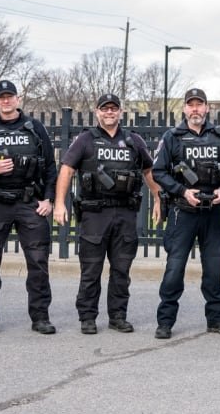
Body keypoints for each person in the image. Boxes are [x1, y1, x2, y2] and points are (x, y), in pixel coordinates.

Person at [53, 93, 160, 334]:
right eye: (105, 109)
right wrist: (59, 203)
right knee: (91, 269)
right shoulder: (85, 140)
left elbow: (149, 171)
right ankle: (87, 317)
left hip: (125, 213)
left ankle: (118, 316)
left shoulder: (133, 141)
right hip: (95, 214)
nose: (109, 112)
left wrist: (157, 198)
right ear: (97, 112)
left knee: (121, 269)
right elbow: (67, 170)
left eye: (114, 109)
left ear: (120, 112)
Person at [0, 80, 58, 335]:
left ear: (18, 99)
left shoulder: (35, 128)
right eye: (1, 97)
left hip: (30, 202)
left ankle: (40, 317)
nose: (6, 101)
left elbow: (50, 166)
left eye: (10, 96)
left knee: (38, 262)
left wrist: (48, 198)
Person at [151, 88, 220, 339]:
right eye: (190, 105)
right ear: (184, 109)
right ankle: (165, 322)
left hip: (212, 211)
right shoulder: (172, 137)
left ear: (207, 108)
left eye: (199, 105)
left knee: (213, 270)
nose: (195, 109)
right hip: (184, 211)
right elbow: (159, 172)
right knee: (174, 269)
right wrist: (182, 191)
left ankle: (216, 319)